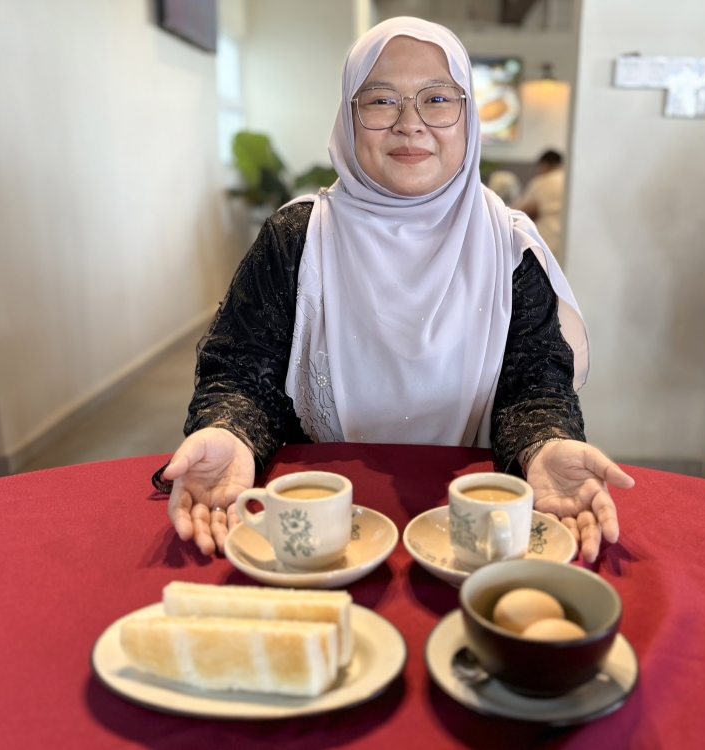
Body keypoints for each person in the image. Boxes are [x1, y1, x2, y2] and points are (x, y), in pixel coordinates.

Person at [157, 17, 633, 564]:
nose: (411, 124)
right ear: (348, 115)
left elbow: (534, 386)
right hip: (320, 523)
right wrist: (230, 432)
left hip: (469, 525)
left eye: (437, 98)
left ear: (468, 114)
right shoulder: (297, 238)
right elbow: (242, 373)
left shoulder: (509, 246)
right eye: (381, 101)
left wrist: (545, 442)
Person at [513, 150, 566, 252]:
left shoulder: (542, 181)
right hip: (566, 240)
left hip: (547, 240)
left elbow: (522, 212)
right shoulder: (570, 180)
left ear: (544, 165)